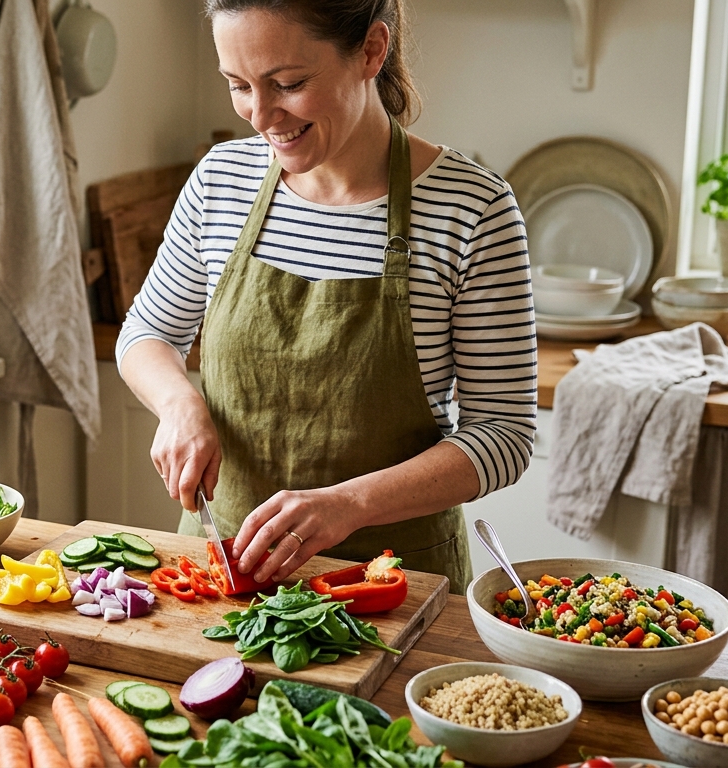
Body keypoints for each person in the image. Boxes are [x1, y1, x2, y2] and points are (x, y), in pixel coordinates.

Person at [115, 0, 537, 594]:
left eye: (288, 84)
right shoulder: (222, 180)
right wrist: (179, 404)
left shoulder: (471, 210)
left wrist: (350, 503)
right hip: (217, 567)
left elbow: (504, 434)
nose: (261, 116)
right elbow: (147, 334)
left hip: (389, 583)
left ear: (370, 51)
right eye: (238, 86)